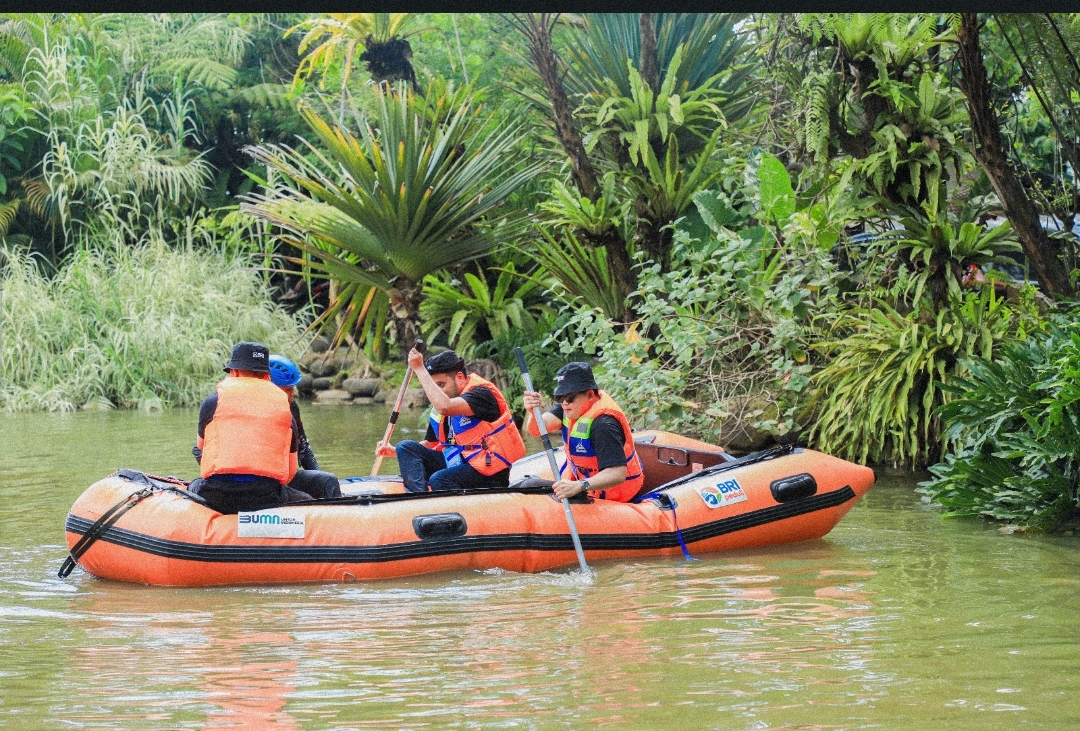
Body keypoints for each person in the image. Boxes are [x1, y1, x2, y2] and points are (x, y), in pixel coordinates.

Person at [375, 348, 526, 492]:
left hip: (489, 472)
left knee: (439, 479)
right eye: (433, 386)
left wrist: (419, 369)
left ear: (460, 378)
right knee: (405, 447)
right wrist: (394, 451)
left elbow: (445, 407)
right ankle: (417, 498)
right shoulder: (439, 408)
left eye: (441, 385)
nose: (436, 392)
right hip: (457, 463)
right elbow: (431, 444)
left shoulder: (482, 394)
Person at [188, 342, 313, 514]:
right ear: (266, 376)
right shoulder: (284, 407)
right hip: (266, 497)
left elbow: (200, 450)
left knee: (193, 485)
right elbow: (290, 471)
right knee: (308, 501)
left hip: (217, 496)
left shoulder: (212, 403)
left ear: (234, 372)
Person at [522, 361, 644, 502]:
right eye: (560, 397)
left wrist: (580, 486)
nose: (564, 403)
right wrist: (533, 411)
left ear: (590, 395)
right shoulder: (569, 407)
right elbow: (537, 430)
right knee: (529, 485)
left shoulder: (604, 425)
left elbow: (617, 473)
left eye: (569, 397)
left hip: (615, 496)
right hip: (585, 484)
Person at [268, 354, 342, 501]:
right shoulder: (257, 411)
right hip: (266, 480)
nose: (294, 393)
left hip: (288, 477)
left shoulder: (292, 407)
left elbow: (303, 446)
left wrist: (317, 474)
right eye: (289, 389)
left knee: (328, 480)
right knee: (306, 498)